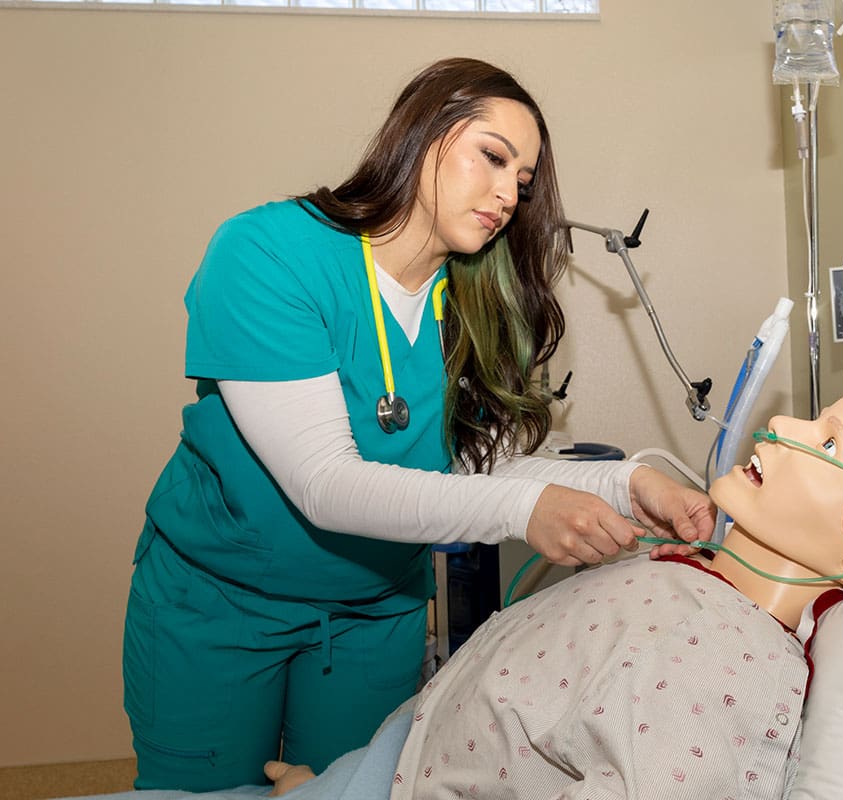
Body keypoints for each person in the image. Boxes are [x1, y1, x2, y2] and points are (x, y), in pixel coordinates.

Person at [123, 57, 713, 793]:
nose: (507, 195)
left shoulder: (475, 295)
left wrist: (629, 484)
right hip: (221, 605)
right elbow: (324, 484)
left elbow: (474, 469)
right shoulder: (269, 254)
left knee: (358, 785)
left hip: (376, 611)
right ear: (420, 134)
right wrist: (526, 512)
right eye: (492, 157)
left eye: (523, 184)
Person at [257, 386, 843, 799]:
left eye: (826, 444)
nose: (780, 425)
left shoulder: (732, 669)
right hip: (413, 741)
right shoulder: (695, 576)